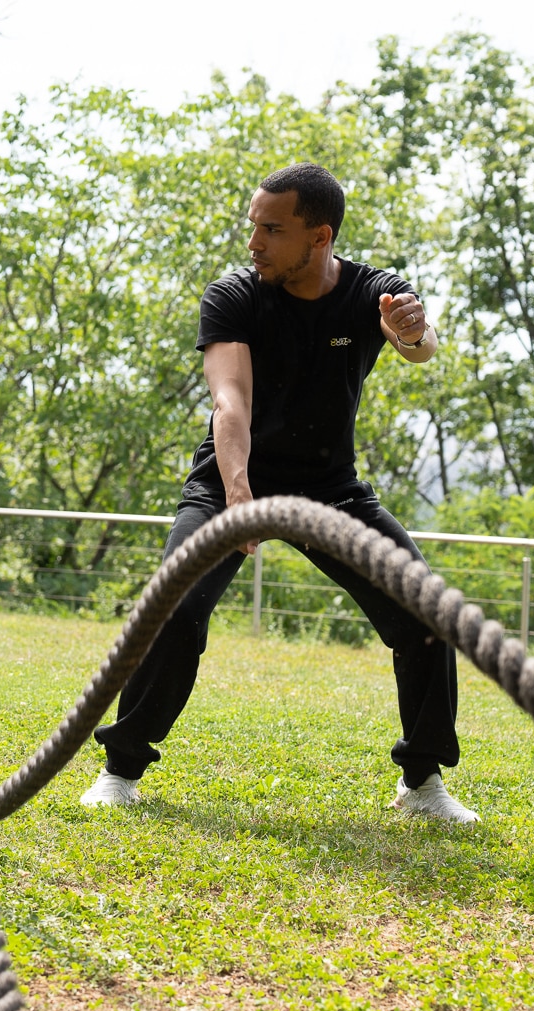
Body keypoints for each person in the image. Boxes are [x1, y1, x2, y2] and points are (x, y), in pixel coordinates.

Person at [81, 162, 478, 824]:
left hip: (330, 486)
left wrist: (412, 331)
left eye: (273, 229)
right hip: (231, 481)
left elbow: (419, 344)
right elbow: (229, 400)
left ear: (319, 236)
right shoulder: (234, 295)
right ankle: (121, 769)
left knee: (425, 613)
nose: (254, 243)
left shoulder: (372, 292)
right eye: (253, 226)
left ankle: (422, 781)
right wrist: (239, 494)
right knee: (176, 606)